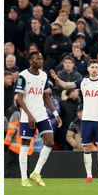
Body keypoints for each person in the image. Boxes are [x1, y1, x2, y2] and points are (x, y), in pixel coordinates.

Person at [50, 62, 98, 183]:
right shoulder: (82, 82)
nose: (94, 69)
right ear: (88, 69)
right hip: (86, 121)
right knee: (87, 148)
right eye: (92, 67)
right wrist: (56, 78)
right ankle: (89, 176)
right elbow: (66, 85)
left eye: (96, 67)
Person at [15, 51, 62, 187]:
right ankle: (24, 178)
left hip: (41, 114)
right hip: (27, 116)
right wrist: (29, 115)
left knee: (50, 141)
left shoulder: (44, 75)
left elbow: (46, 96)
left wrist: (55, 114)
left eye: (41, 59)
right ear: (30, 61)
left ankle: (36, 172)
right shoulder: (23, 75)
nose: (40, 61)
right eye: (37, 59)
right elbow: (19, 98)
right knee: (24, 146)